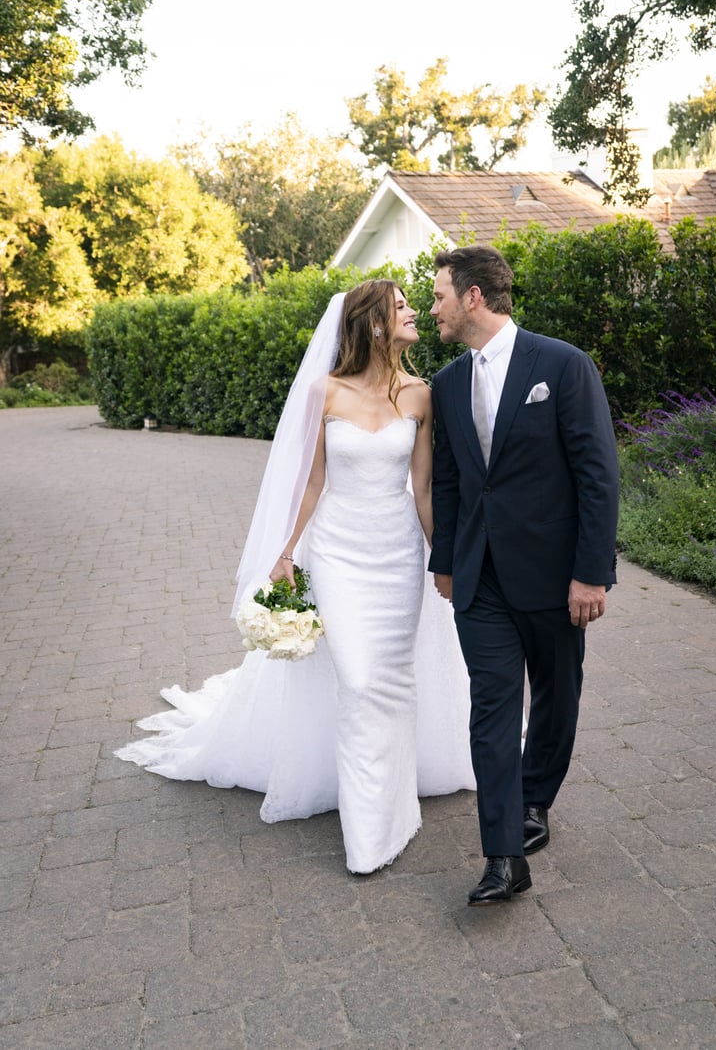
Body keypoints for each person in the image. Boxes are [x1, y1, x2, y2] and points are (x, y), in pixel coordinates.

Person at [117, 280, 474, 875]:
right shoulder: (323, 391)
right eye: (403, 306)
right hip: (337, 552)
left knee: (392, 680)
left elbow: (424, 488)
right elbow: (310, 482)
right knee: (359, 681)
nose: (416, 312)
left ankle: (396, 805)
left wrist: (445, 561)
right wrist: (284, 552)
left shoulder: (420, 395)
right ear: (375, 324)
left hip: (399, 558)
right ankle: (369, 836)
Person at [428, 245, 619, 905]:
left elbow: (598, 474)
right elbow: (450, 481)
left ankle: (536, 799)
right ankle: (504, 853)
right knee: (493, 705)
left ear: (473, 296)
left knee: (558, 696)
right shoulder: (448, 384)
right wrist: (446, 562)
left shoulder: (562, 365)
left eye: (440, 297)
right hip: (480, 581)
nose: (434, 310)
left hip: (555, 576)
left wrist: (591, 573)